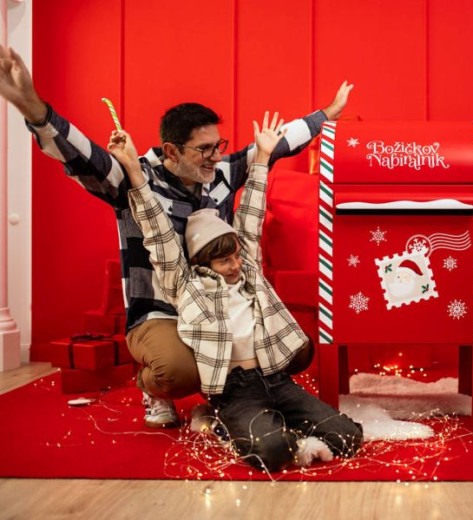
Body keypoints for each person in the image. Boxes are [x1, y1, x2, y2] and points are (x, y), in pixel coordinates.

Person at [0, 44, 353, 428]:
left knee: (291, 348)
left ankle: (234, 393)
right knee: (180, 372)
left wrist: (325, 116)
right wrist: (34, 109)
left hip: (215, 306)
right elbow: (84, 158)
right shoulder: (135, 178)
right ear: (171, 150)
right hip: (160, 312)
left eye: (219, 145)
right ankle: (153, 387)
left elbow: (274, 145)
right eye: (204, 149)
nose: (217, 156)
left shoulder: (219, 174)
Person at [107, 114, 363, 471]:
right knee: (273, 453)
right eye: (224, 260)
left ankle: (280, 423)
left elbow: (251, 214)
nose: (235, 265)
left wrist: (262, 157)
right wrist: (134, 171)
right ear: (202, 262)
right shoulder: (186, 284)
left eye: (236, 256)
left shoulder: (248, 272)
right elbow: (157, 231)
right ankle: (224, 422)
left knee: (349, 438)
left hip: (275, 378)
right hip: (235, 388)